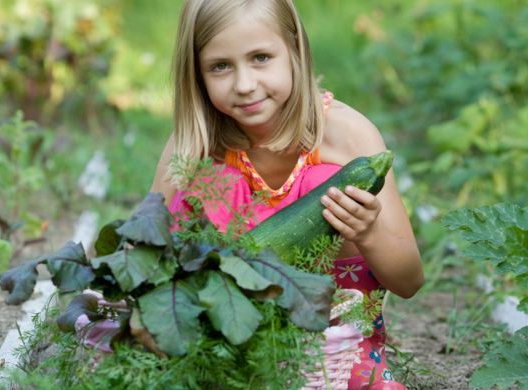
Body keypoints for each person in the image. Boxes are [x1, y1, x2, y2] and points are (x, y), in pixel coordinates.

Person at [149, 0, 424, 388]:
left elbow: (410, 280)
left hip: (334, 345)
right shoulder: (193, 145)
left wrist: (368, 232)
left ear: (295, 51)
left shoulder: (348, 136)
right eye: (220, 66)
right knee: (214, 183)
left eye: (261, 57)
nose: (244, 85)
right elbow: (145, 248)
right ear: (197, 74)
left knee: (323, 182)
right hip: (229, 338)